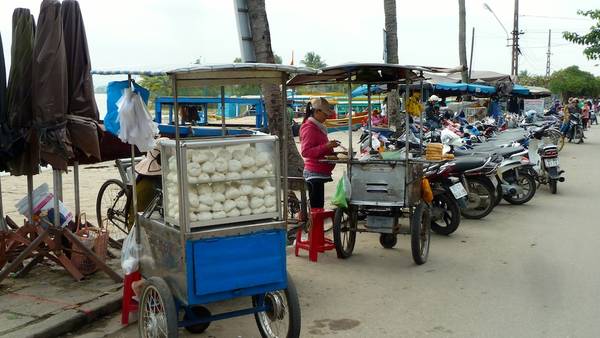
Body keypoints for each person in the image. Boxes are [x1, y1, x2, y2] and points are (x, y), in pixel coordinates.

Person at [300, 97, 339, 209]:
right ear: (317, 111)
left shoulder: (317, 127)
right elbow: (306, 152)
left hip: (319, 173)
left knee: (318, 206)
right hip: (314, 173)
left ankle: (316, 225)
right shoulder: (309, 128)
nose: (326, 117)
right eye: (325, 114)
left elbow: (318, 148)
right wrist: (326, 146)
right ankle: (315, 226)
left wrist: (330, 150)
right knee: (316, 208)